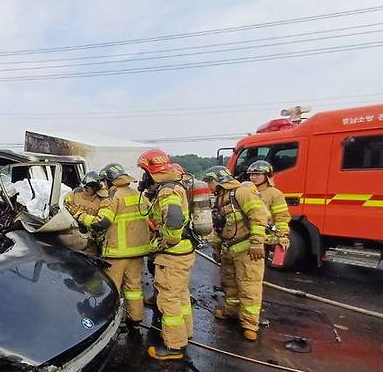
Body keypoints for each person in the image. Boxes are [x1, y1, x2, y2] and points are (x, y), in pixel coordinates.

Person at [73, 163, 151, 330]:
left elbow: (102, 223)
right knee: (134, 288)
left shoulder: (112, 197)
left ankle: (107, 323)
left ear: (108, 181)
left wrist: (81, 216)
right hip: (138, 253)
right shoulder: (138, 195)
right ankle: (135, 320)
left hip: (117, 253)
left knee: (112, 289)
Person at [137, 150, 196, 360]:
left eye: (144, 171)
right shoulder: (178, 184)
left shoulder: (167, 190)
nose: (144, 176)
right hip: (185, 251)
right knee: (180, 295)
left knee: (169, 299)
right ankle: (185, 333)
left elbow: (173, 218)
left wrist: (166, 240)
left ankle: (174, 346)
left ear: (151, 170)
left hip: (173, 254)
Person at [202, 166, 268, 341]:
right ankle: (232, 311)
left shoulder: (242, 192)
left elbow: (259, 216)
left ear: (216, 180)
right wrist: (216, 248)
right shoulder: (220, 198)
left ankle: (249, 324)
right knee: (229, 283)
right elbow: (219, 226)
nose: (208, 186)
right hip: (229, 249)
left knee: (249, 286)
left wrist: (256, 243)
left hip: (247, 251)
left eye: (209, 182)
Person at [246, 160, 291, 252]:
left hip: (263, 238)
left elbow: (281, 217)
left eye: (257, 174)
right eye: (251, 174)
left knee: (258, 265)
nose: (253, 177)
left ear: (267, 176)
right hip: (244, 237)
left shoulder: (275, 194)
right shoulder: (245, 191)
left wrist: (282, 236)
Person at [64, 171, 104, 255]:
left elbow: (101, 223)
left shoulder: (101, 200)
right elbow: (65, 207)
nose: (84, 189)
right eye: (84, 187)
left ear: (95, 189)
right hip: (73, 234)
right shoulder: (74, 194)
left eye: (87, 188)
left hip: (90, 239)